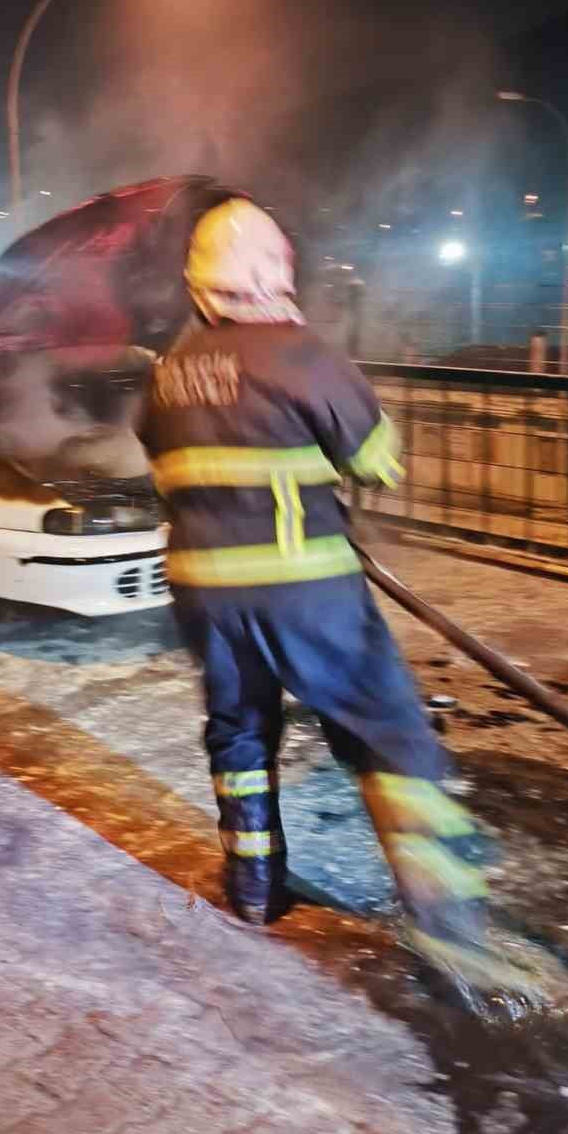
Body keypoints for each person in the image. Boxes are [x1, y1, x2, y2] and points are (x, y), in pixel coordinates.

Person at [138, 198, 534, 1000]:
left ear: (201, 286)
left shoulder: (167, 374)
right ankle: (448, 931)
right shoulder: (302, 355)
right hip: (305, 594)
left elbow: (163, 465)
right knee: (395, 741)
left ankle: (254, 891)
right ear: (272, 274)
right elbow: (378, 460)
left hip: (203, 596)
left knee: (241, 735)